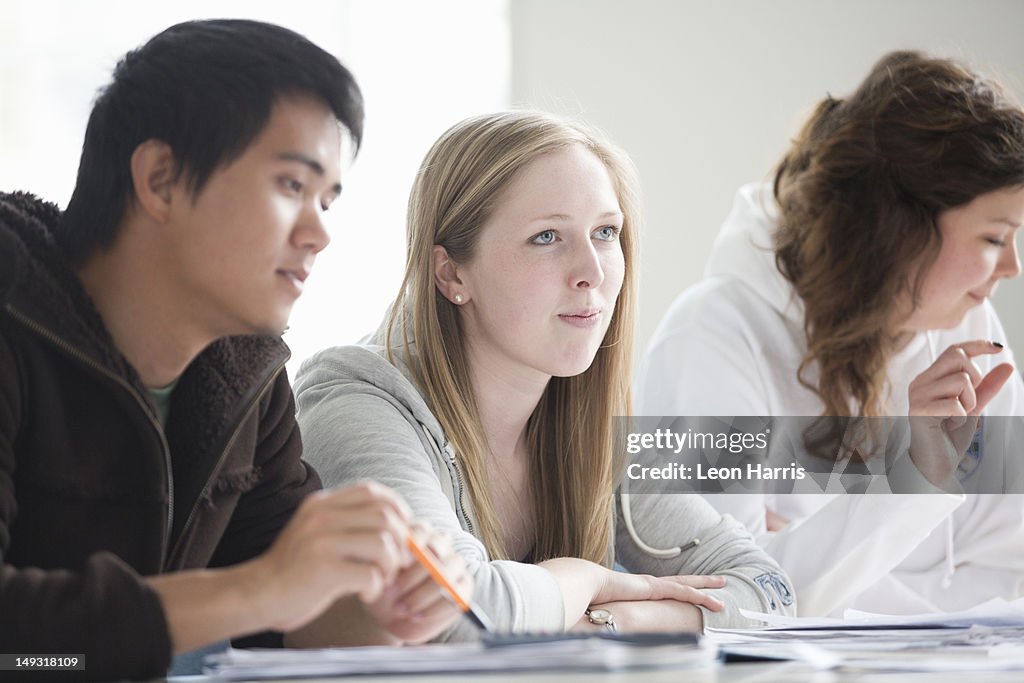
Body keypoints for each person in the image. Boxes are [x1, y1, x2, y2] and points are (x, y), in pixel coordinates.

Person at [0, 20, 467, 682]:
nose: (319, 234)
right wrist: (260, 585)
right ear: (160, 179)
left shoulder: (243, 375)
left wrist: (385, 612)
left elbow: (286, 621)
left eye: (328, 200)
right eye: (290, 186)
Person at [294, 111, 796, 642]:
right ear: (452, 273)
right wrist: (585, 577)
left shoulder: (592, 419)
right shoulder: (355, 398)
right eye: (547, 237)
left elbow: (771, 592)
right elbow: (457, 620)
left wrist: (613, 617)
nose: (593, 272)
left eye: (605, 232)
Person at [636, 51, 1024, 616]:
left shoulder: (966, 328)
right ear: (900, 231)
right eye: (995, 238)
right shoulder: (712, 337)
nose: (1012, 266)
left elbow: (1011, 575)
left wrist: (800, 555)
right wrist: (913, 480)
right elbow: (726, 603)